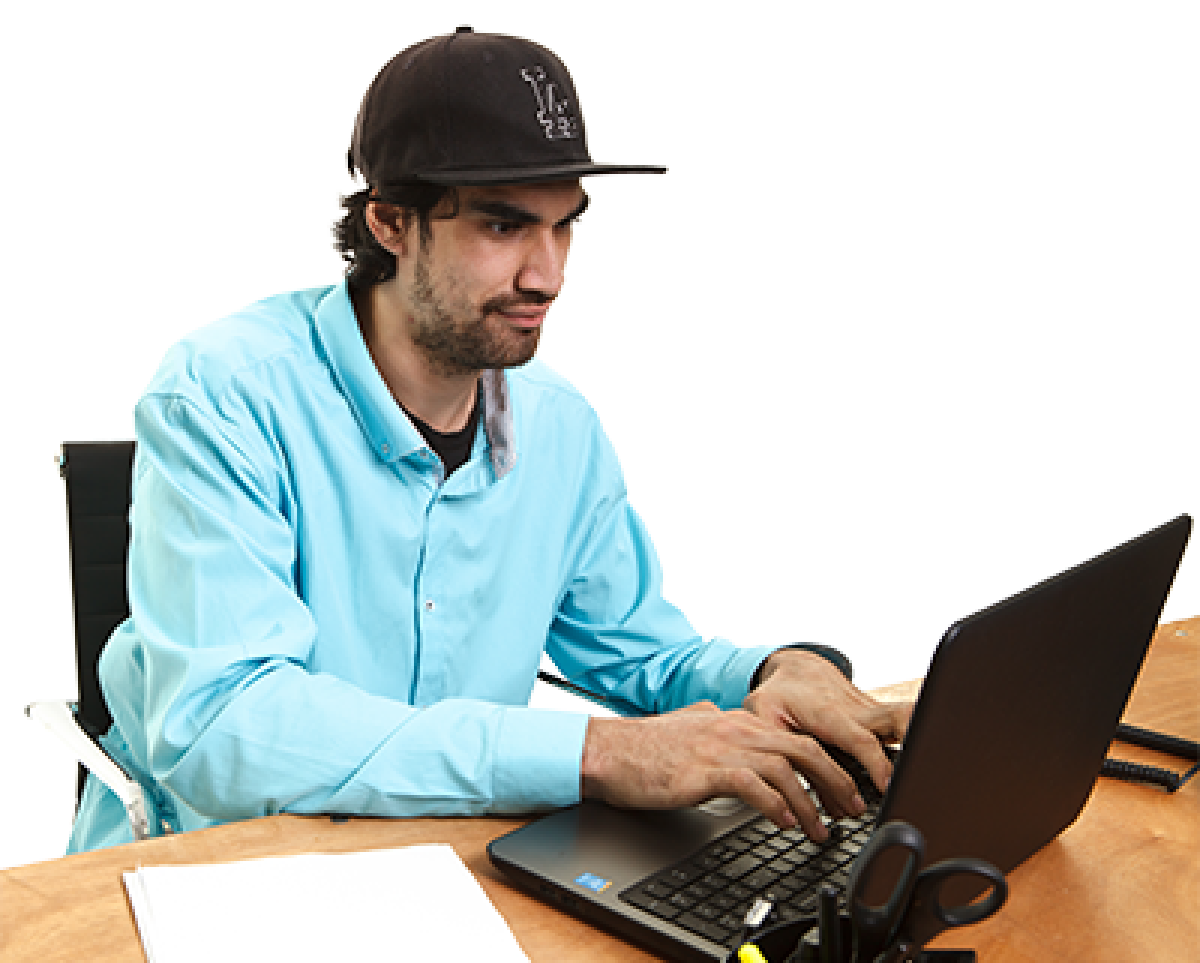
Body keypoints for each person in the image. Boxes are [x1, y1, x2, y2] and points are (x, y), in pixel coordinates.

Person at [66, 26, 912, 855]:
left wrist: (773, 676)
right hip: (215, 867)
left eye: (565, 226)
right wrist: (593, 755)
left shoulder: (561, 426)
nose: (547, 274)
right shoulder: (223, 393)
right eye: (504, 227)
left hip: (451, 865)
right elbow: (225, 730)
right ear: (391, 223)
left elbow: (642, 651)